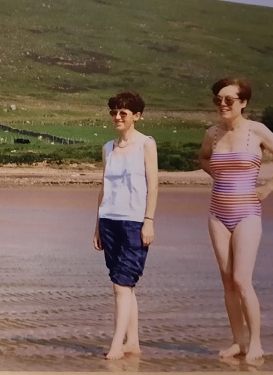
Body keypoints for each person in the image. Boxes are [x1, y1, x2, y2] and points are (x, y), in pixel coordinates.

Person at [199, 77, 273, 363]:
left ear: (243, 102)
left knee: (242, 280)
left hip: (247, 213)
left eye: (229, 100)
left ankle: (256, 344)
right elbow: (203, 158)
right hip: (217, 214)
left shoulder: (257, 130)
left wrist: (268, 187)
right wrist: (219, 175)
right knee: (227, 281)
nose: (222, 104)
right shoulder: (212, 133)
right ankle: (238, 342)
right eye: (218, 99)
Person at [93, 91, 158, 360]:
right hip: (109, 220)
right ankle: (133, 342)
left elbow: (153, 185)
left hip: (134, 222)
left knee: (121, 284)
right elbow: (103, 187)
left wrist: (148, 221)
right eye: (114, 112)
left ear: (136, 116)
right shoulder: (108, 147)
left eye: (123, 113)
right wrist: (97, 225)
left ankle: (117, 345)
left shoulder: (146, 144)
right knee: (124, 285)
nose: (117, 117)